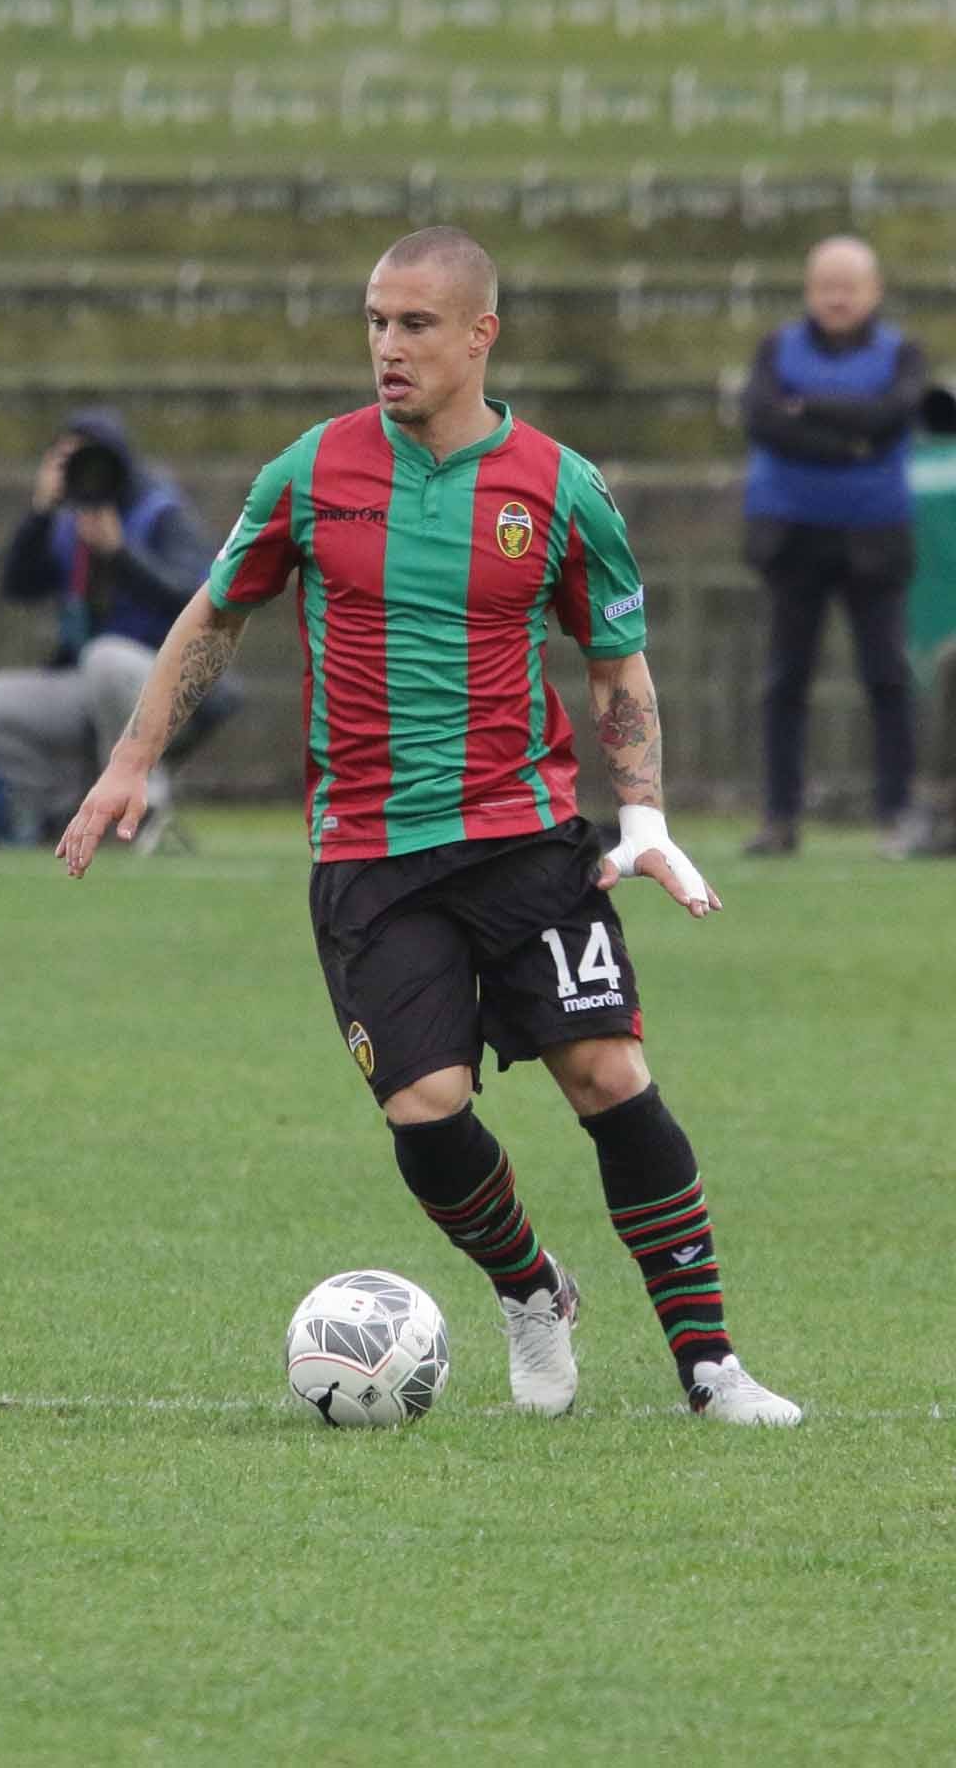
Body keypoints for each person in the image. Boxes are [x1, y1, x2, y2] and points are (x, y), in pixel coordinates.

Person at [59, 224, 800, 1427]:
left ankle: (709, 1366)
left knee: (611, 1074)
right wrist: (129, 761)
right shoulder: (310, 472)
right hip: (368, 854)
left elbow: (618, 667)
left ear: (478, 336)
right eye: (374, 323)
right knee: (427, 1110)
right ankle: (531, 1290)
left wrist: (646, 812)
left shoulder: (561, 488)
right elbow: (211, 615)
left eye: (414, 325)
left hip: (527, 840)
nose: (387, 348)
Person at [0, 406, 222, 843]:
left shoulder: (160, 511)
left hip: (160, 678)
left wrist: (120, 555)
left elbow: (200, 597)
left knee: (105, 658)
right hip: (82, 682)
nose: (85, 474)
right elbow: (17, 586)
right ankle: (66, 807)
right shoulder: (65, 523)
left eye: (92, 460)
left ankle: (143, 811)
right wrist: (40, 511)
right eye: (70, 461)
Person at [742, 236, 929, 860]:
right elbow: (764, 419)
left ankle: (897, 813)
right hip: (791, 533)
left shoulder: (902, 353)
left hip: (875, 536)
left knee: (886, 677)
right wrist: (852, 442)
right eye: (827, 285)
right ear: (809, 290)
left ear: (874, 291)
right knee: (785, 679)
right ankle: (779, 816)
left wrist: (809, 413)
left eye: (850, 286)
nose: (838, 297)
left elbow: (894, 415)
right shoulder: (776, 348)